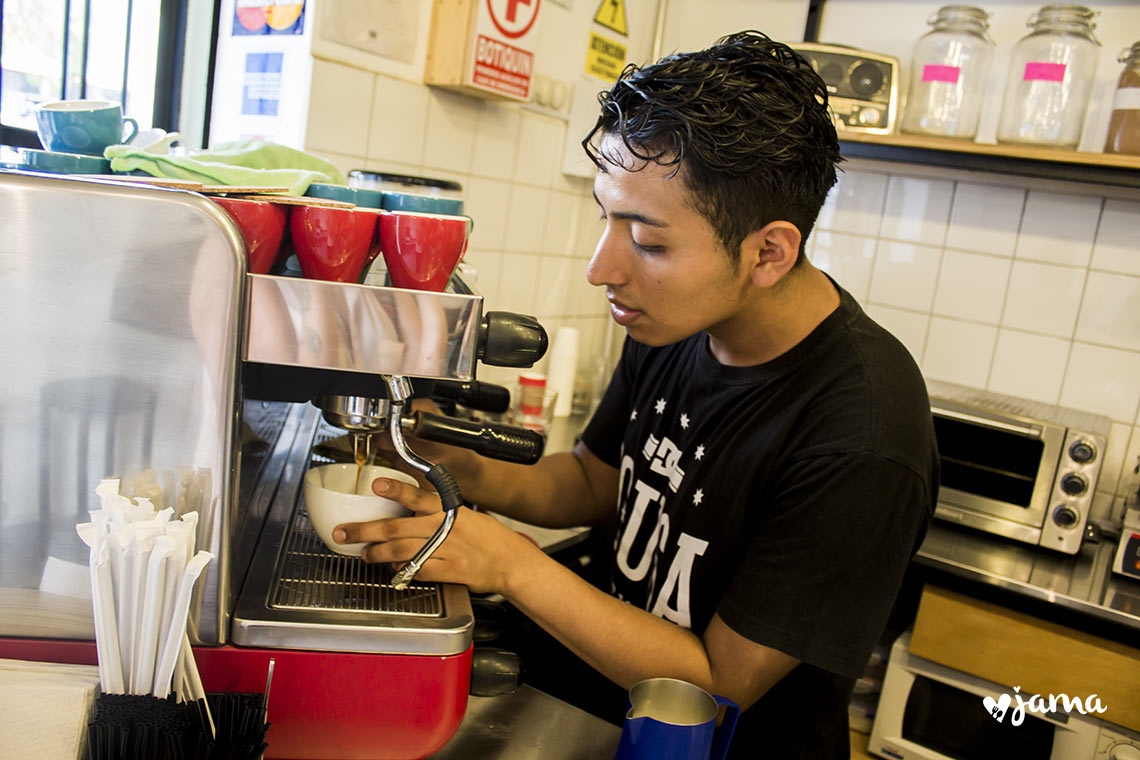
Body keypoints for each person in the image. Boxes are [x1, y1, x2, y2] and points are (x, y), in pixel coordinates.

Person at [334, 30, 938, 758]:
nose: (602, 268)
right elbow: (595, 480)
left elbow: (718, 685)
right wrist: (456, 465)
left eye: (647, 242)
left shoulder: (862, 437)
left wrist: (509, 563)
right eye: (605, 216)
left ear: (769, 253)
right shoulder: (678, 320)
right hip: (596, 712)